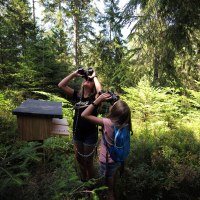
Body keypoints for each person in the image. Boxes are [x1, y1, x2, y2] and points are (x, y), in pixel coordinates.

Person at [81, 93, 132, 200]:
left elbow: (84, 115)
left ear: (114, 111)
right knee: (112, 178)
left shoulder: (107, 122)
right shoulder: (126, 123)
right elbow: (121, 111)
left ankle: (108, 194)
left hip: (107, 161)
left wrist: (97, 101)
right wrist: (116, 105)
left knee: (106, 186)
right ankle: (111, 189)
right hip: (118, 159)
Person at [58, 67, 102, 181]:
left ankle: (91, 185)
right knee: (79, 159)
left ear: (93, 85)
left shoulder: (95, 98)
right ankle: (84, 180)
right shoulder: (77, 95)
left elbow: (100, 92)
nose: (88, 80)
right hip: (77, 132)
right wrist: (74, 74)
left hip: (90, 134)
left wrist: (94, 77)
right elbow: (61, 85)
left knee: (88, 161)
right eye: (86, 79)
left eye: (90, 81)